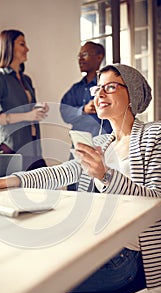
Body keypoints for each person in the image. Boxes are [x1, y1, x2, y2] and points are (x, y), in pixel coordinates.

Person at [0, 63, 161, 292]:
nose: (99, 94)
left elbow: (156, 200)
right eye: (98, 88)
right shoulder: (102, 144)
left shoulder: (154, 135)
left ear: (132, 92)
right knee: (22, 256)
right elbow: (59, 172)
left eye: (110, 87)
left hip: (127, 255)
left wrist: (105, 176)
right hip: (97, 243)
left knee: (29, 271)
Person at [0, 29, 49, 171]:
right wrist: (27, 116)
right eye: (22, 44)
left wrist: (38, 109)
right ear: (9, 47)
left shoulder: (26, 79)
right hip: (12, 147)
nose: (27, 49)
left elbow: (27, 107)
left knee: (45, 183)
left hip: (33, 145)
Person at [60, 41, 112, 190]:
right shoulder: (76, 89)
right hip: (79, 146)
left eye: (85, 54)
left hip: (103, 146)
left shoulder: (107, 87)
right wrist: (83, 109)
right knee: (74, 185)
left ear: (99, 57)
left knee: (100, 187)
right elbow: (64, 112)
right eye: (79, 55)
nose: (80, 59)